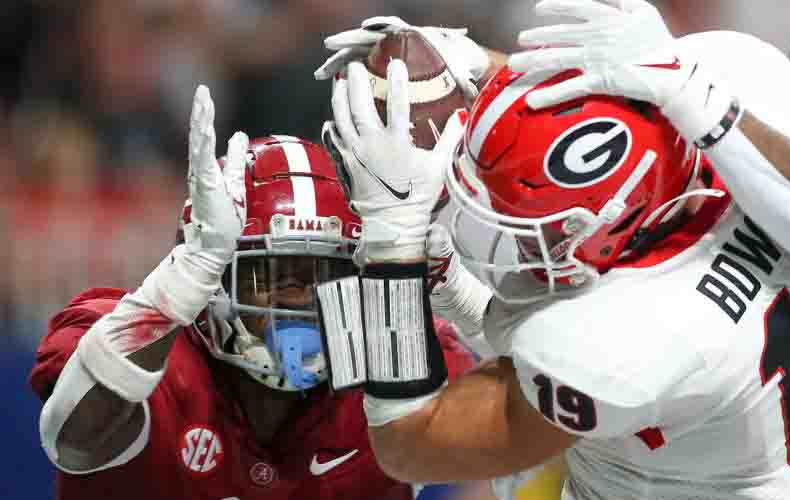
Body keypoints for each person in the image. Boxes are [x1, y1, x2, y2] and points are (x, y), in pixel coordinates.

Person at [316, 0, 790, 499]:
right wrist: (474, 66)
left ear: (612, 224)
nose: (515, 240)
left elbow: (409, 443)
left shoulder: (632, 350)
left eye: (535, 230)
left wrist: (390, 240)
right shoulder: (731, 111)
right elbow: (618, 119)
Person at [30, 85, 474, 500]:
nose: (301, 299)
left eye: (323, 274)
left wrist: (471, 306)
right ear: (210, 275)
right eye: (272, 276)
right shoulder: (133, 340)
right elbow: (71, 438)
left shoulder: (393, 364)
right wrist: (171, 294)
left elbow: (531, 408)